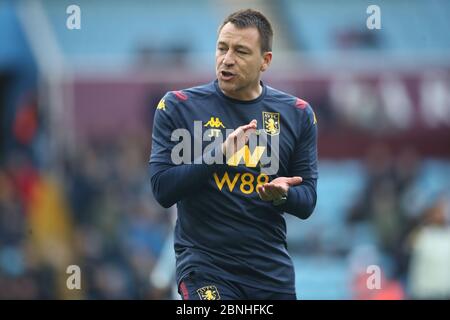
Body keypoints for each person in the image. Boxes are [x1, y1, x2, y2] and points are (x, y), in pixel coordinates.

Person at [149, 9, 318, 300]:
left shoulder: (298, 114)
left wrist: (283, 196)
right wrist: (220, 154)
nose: (227, 59)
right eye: (222, 48)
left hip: (270, 275)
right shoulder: (178, 107)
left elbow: (308, 200)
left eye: (240, 51)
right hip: (205, 269)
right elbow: (162, 189)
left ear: (265, 61)